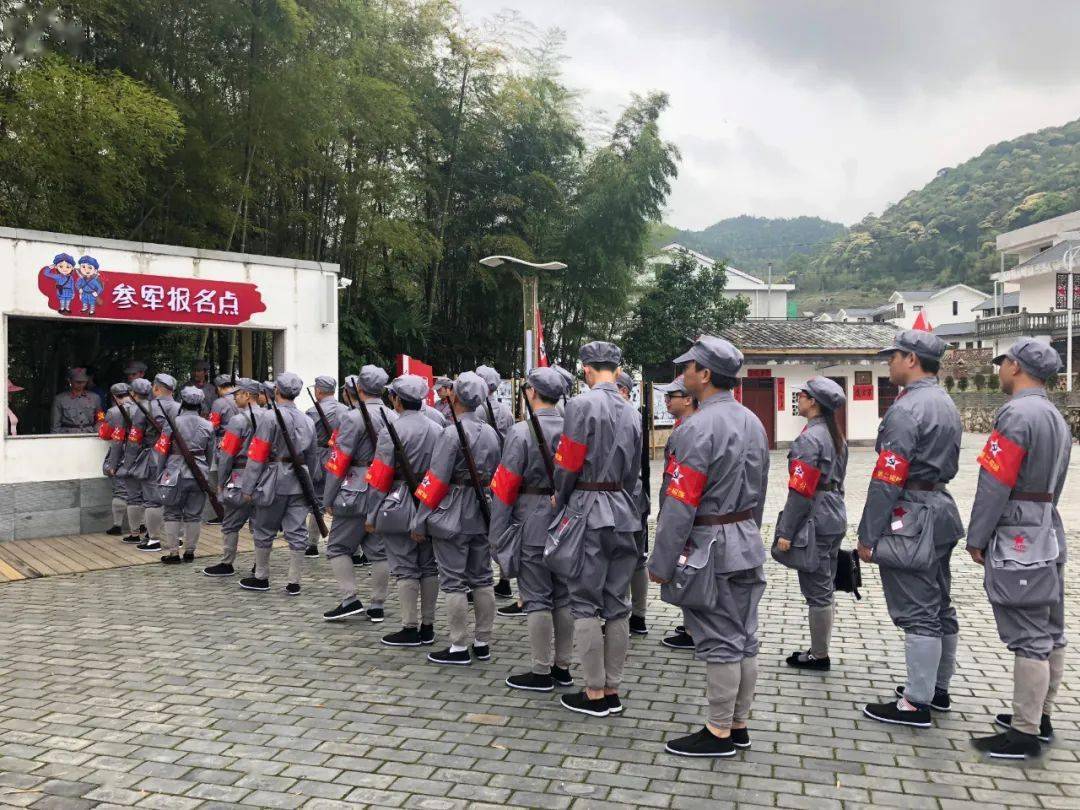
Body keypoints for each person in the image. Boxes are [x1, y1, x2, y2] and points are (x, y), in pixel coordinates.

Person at [649, 335, 769, 758]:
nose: (682, 376)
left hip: (710, 545)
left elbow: (679, 504)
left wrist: (661, 562)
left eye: (687, 368)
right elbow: (759, 489)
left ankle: (718, 731)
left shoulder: (695, 428)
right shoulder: (753, 421)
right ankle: (738, 724)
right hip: (744, 540)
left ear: (703, 374)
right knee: (743, 637)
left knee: (720, 639)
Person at [966, 339, 1070, 759]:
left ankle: (1024, 732)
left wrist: (978, 537)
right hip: (1047, 527)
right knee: (1050, 627)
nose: (999, 370)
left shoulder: (1015, 415)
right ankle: (1040, 715)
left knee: (1028, 632)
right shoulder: (1055, 416)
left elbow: (994, 483)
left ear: (1016, 366)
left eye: (1002, 362)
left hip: (1017, 534)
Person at [857, 330, 964, 729]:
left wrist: (869, 535)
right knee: (940, 604)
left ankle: (915, 703)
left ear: (912, 360)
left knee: (919, 610)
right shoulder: (945, 402)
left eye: (894, 357)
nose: (889, 364)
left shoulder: (906, 410)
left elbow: (887, 479)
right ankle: (937, 688)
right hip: (940, 511)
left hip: (912, 516)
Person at [552, 341, 641, 718]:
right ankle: (613, 688)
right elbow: (635, 469)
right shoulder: (632, 410)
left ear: (587, 369)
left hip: (588, 508)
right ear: (616, 369)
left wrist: (561, 495)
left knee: (585, 602)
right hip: (623, 509)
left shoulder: (580, 405)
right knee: (618, 604)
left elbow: (568, 461)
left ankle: (593, 692)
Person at [490, 367, 575, 690]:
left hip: (532, 520)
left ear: (532, 393)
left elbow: (505, 487)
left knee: (537, 597)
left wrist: (496, 535)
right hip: (567, 520)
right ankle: (563, 667)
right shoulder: (574, 430)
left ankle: (540, 670)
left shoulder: (521, 432)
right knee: (564, 597)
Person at [411, 372, 501, 666]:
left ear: (456, 397)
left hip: (452, 510)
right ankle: (484, 641)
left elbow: (436, 479)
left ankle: (459, 646)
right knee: (482, 577)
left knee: (453, 582)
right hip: (483, 509)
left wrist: (421, 518)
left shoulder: (450, 433)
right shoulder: (490, 432)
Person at [776, 377, 849, 671]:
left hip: (814, 517)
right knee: (825, 584)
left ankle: (819, 656)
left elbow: (800, 490)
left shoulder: (810, 439)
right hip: (833, 513)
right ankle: (820, 649)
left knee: (817, 588)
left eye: (802, 395)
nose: (799, 399)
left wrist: (786, 532)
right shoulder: (835, 436)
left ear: (814, 402)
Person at [366, 374, 443, 648]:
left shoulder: (391, 432)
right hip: (432, 500)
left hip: (398, 503)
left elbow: (380, 477)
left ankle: (410, 626)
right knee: (428, 564)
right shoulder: (438, 427)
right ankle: (428, 625)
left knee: (405, 567)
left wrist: (372, 514)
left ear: (397, 400)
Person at [321, 366, 396, 623]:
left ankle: (350, 597)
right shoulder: (393, 415)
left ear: (359, 389)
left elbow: (339, 460)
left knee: (338, 546)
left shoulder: (352, 418)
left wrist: (328, 497)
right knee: (379, 550)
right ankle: (377, 604)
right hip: (385, 487)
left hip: (355, 488)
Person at [238, 372, 317, 595]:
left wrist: (248, 485)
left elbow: (258, 454)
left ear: (276, 391)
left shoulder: (268, 417)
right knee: (297, 531)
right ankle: (294, 581)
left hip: (273, 478)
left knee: (263, 529)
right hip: (300, 479)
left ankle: (261, 577)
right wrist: (312, 480)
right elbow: (312, 458)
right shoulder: (308, 420)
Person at [657, 375, 699, 651]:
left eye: (672, 396)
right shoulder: (683, 426)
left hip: (685, 508)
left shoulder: (690, 430)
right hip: (679, 504)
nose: (666, 400)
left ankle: (695, 630)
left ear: (688, 399)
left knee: (690, 568)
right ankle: (691, 625)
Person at [204, 378, 261, 577]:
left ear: (247, 395)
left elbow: (227, 455)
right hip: (265, 477)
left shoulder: (237, 421)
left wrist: (221, 482)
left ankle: (227, 563)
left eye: (238, 393)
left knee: (230, 522)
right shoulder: (270, 417)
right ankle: (259, 565)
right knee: (260, 525)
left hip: (241, 475)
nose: (234, 396)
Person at [158, 387, 214, 564]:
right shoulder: (208, 425)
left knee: (172, 513)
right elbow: (210, 453)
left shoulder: (173, 422)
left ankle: (174, 553)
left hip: (174, 472)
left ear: (182, 402)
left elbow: (162, 450)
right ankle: (190, 551)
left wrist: (160, 471)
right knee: (194, 515)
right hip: (199, 473)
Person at [476, 364, 516, 599]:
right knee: (502, 524)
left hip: (481, 476)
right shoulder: (507, 411)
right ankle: (504, 578)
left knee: (482, 529)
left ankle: (480, 577)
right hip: (502, 474)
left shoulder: (476, 411)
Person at [616, 372, 651, 637]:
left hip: (624, 493)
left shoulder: (622, 414)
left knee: (630, 558)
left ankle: (629, 613)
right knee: (636, 558)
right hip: (635, 493)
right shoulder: (635, 416)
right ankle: (636, 614)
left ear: (626, 391)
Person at [137, 374, 182, 552]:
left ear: (155, 388)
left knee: (152, 500)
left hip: (153, 455)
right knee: (173, 499)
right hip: (175, 457)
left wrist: (131, 461)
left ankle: (153, 539)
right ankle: (176, 538)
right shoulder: (180, 408)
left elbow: (135, 437)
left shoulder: (147, 407)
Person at [305, 375, 348, 557]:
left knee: (316, 503)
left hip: (320, 457)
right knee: (341, 500)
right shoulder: (346, 410)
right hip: (340, 457)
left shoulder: (312, 411)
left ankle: (312, 543)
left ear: (319, 391)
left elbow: (307, 439)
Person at [114, 377, 154, 546]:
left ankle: (135, 533)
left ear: (132, 393)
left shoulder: (127, 410)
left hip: (135, 455)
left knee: (133, 497)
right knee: (151, 497)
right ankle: (153, 535)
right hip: (156, 455)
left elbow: (123, 439)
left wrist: (122, 464)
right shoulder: (156, 407)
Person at [101, 382, 133, 537]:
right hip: (143, 456)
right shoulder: (145, 408)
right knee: (140, 494)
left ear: (114, 396)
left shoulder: (113, 412)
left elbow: (106, 435)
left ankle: (117, 526)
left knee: (120, 491)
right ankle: (141, 527)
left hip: (121, 456)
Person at [51, 367, 103, 433]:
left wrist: (99, 427)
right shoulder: (60, 399)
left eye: (83, 382)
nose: (81, 384)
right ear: (70, 381)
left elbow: (100, 416)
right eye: (78, 382)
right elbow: (55, 424)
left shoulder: (95, 398)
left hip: (89, 433)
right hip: (68, 435)